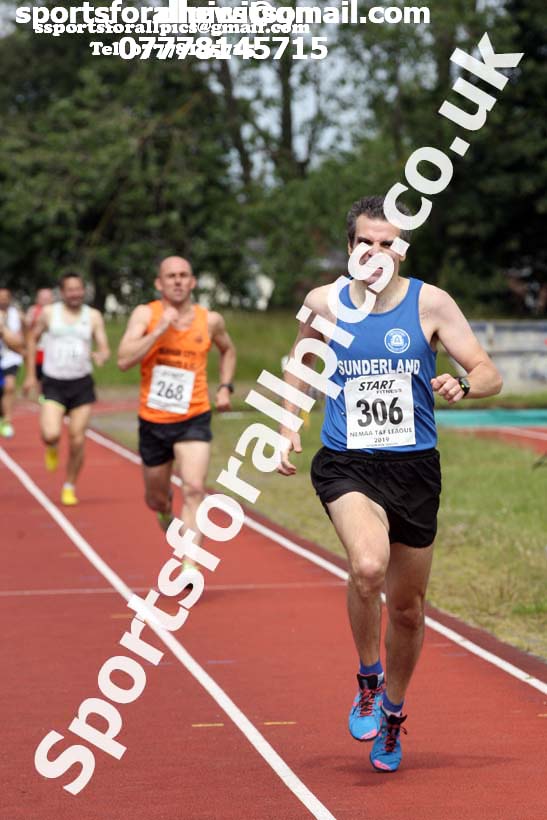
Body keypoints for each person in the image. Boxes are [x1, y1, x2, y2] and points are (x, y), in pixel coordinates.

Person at [278, 195, 502, 773]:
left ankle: (394, 714)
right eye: (366, 243)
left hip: (415, 470)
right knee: (368, 566)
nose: (376, 253)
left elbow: (488, 372)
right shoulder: (323, 303)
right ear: (349, 248)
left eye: (388, 244)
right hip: (347, 462)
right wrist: (286, 426)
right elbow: (301, 364)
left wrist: (462, 384)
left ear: (400, 249)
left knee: (406, 608)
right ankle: (368, 680)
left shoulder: (430, 303)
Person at [117, 256, 236, 541]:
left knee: (194, 488)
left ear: (193, 282)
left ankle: (189, 565)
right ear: (159, 283)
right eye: (171, 276)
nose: (178, 281)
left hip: (193, 417)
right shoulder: (145, 315)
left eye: (184, 275)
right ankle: (164, 509)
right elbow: (123, 360)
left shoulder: (210, 320)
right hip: (154, 420)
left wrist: (225, 387)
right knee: (155, 497)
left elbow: (228, 350)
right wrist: (159, 331)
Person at [24, 272, 110, 505]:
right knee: (51, 433)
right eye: (70, 290)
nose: (75, 294)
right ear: (62, 293)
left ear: (84, 290)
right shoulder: (50, 314)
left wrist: (101, 355)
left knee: (77, 439)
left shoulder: (92, 316)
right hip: (54, 382)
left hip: (81, 384)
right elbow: (32, 339)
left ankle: (69, 485)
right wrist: (31, 375)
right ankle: (51, 446)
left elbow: (103, 346)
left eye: (78, 289)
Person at [0, 288, 25, 437]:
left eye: (5, 297)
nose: (2, 300)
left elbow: (23, 338)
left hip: (11, 357)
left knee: (9, 387)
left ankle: (7, 420)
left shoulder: (18, 315)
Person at [23, 287, 54, 390]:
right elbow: (26, 325)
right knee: (38, 375)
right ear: (37, 299)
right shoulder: (33, 310)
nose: (45, 300)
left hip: (52, 350)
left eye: (47, 298)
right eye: (43, 298)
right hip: (38, 349)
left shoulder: (57, 311)